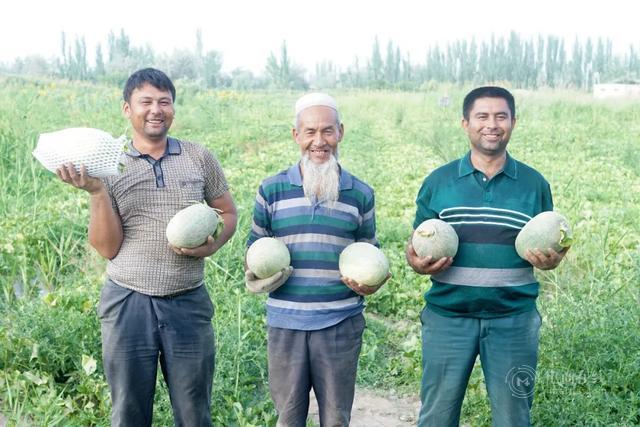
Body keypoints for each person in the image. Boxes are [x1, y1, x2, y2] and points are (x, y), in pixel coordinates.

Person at [56, 68, 237, 426]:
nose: (156, 110)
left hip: (188, 301)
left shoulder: (199, 157)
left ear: (173, 109)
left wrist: (212, 244)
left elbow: (227, 212)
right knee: (129, 410)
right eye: (146, 102)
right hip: (128, 303)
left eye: (164, 102)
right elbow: (107, 248)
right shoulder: (109, 164)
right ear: (127, 109)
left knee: (194, 410)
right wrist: (96, 191)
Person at [406, 86, 569, 426]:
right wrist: (417, 263)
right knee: (436, 415)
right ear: (465, 123)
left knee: (513, 418)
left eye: (500, 116)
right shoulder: (438, 182)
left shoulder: (534, 184)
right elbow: (417, 245)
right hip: (448, 318)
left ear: (513, 122)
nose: (491, 124)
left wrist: (552, 260)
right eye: (482, 116)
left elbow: (545, 239)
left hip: (513, 320)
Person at [245, 93, 389, 426]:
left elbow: (369, 251)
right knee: (288, 416)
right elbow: (253, 252)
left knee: (336, 418)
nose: (319, 141)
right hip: (286, 324)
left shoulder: (360, 193)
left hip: (340, 322)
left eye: (327, 131)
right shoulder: (272, 190)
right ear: (296, 135)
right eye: (310, 132)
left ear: (341, 132)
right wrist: (257, 275)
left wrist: (371, 283)